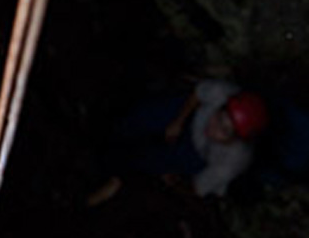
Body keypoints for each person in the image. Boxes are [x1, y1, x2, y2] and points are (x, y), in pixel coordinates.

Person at [101, 77, 271, 199]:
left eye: (225, 131)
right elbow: (197, 94)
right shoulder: (223, 92)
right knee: (141, 117)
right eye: (219, 117)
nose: (214, 128)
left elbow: (197, 188)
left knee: (150, 161)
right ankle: (108, 130)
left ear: (236, 140)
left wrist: (174, 182)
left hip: (197, 152)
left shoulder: (234, 161)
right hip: (191, 116)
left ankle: (113, 169)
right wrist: (178, 122)